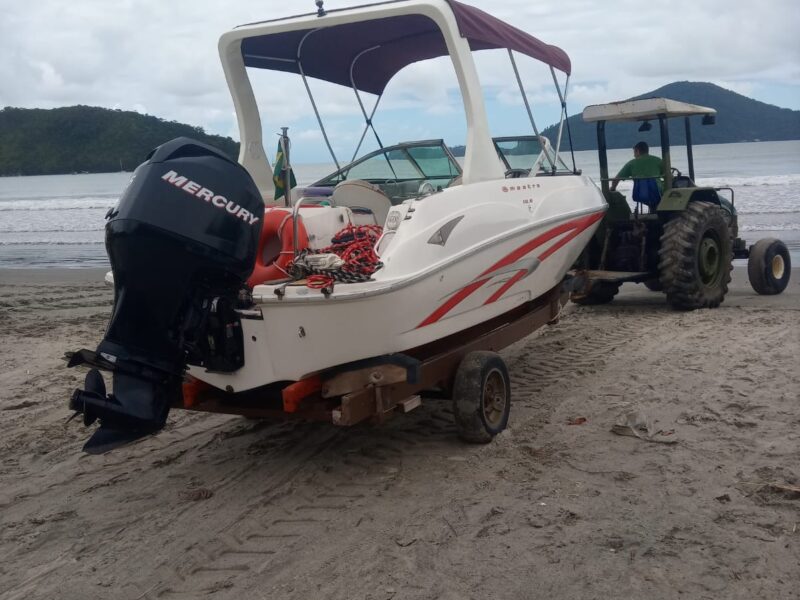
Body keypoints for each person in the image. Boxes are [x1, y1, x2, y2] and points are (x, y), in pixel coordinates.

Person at [610, 141, 664, 207]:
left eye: (634, 152)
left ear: (637, 151)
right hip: (657, 192)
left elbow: (616, 179)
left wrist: (613, 188)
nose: (634, 155)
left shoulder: (631, 163)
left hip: (639, 193)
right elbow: (669, 177)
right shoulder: (658, 160)